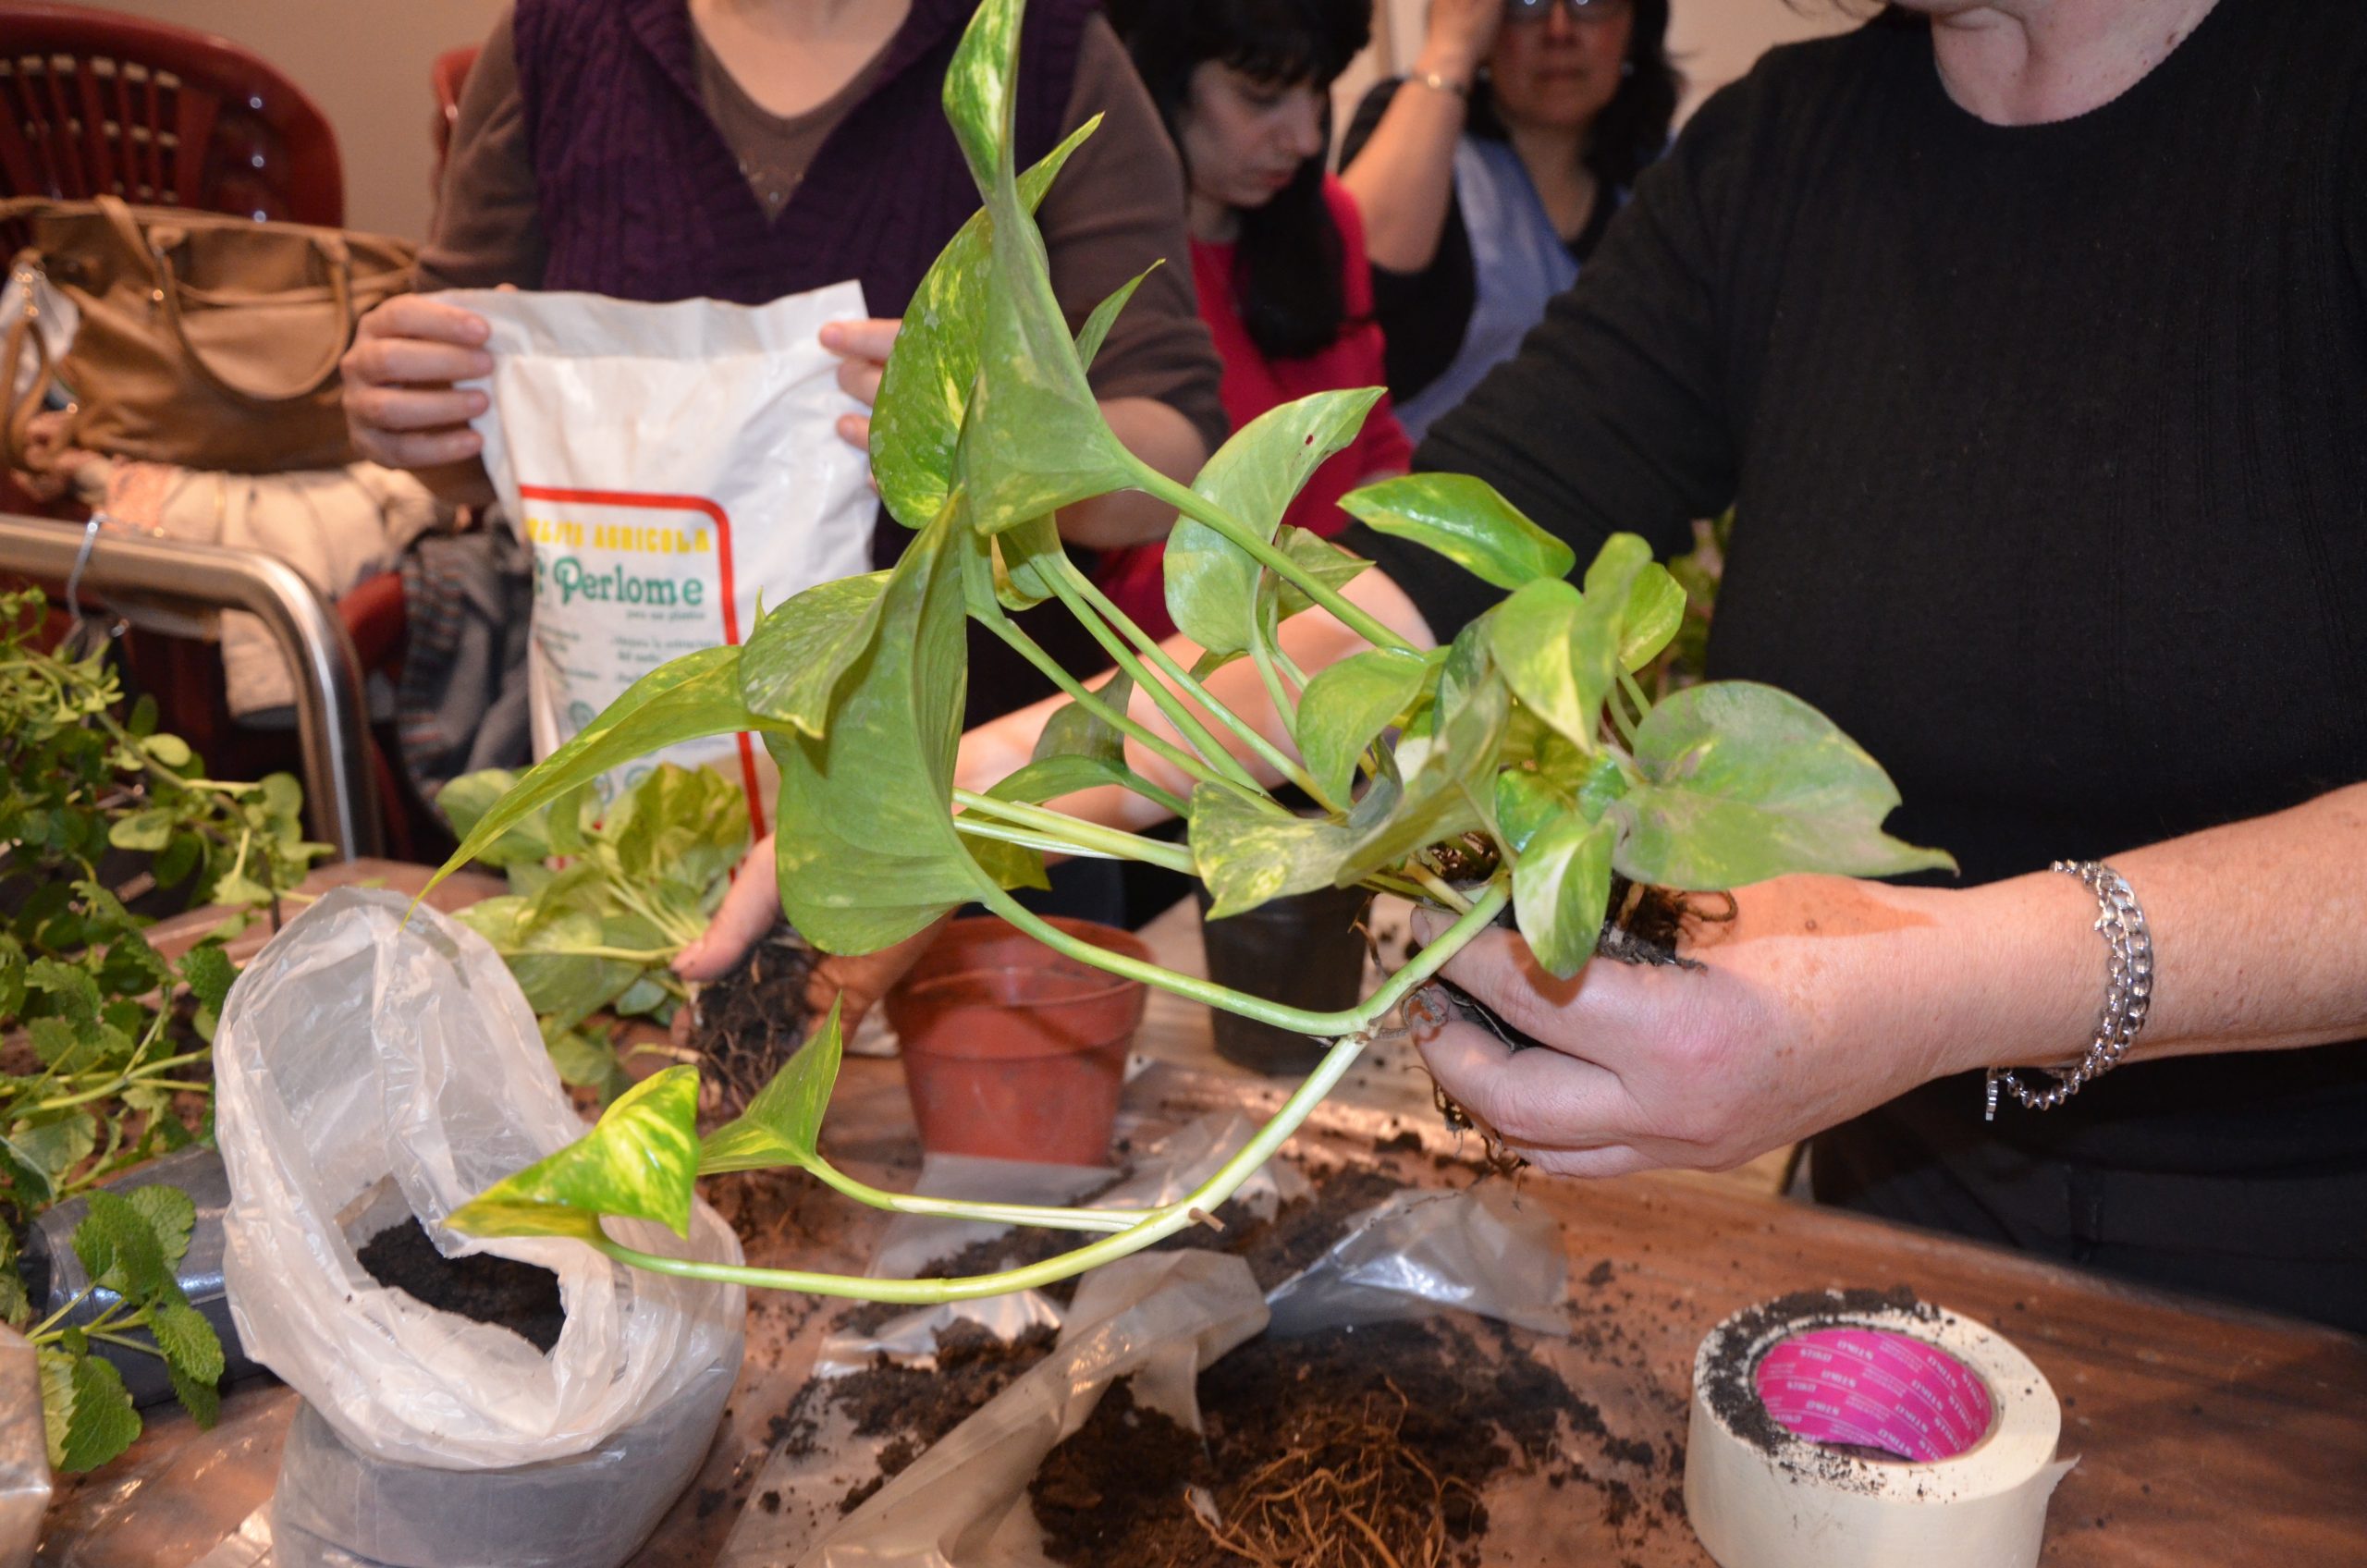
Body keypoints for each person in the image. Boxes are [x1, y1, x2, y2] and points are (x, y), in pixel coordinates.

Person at [701, 0, 2367, 1330]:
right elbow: (1425, 578)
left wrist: (1938, 981)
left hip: (2313, 1287)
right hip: (1905, 1263)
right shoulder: (1791, 152)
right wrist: (970, 793)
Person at [340, 0, 1229, 733]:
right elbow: (474, 445)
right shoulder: (561, 40)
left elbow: (1170, 461)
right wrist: (401, 406)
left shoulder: (1041, 50)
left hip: (975, 791)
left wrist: (1002, 440)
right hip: (631, 765)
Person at [1089, 0, 1414, 640]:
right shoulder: (1101, 268)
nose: (1306, 138)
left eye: (1317, 93)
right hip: (1177, 673)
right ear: (1160, 82)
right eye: (1262, 96)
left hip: (1342, 643)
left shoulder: (1328, 221)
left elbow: (1377, 448)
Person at [1338, 0, 1675, 444]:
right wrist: (1450, 50)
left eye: (1590, 2)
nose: (1560, 31)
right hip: (1418, 499)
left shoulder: (1666, 175)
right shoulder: (1417, 124)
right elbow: (1349, 286)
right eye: (1527, 3)